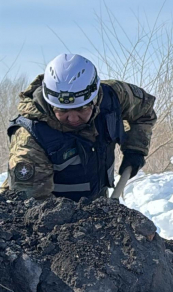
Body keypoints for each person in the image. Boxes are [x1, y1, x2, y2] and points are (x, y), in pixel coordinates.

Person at [5, 54, 155, 201]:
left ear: (95, 99)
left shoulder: (113, 97)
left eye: (81, 109)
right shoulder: (30, 137)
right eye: (62, 111)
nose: (73, 118)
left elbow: (145, 111)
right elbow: (31, 206)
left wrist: (135, 148)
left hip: (96, 202)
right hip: (53, 215)